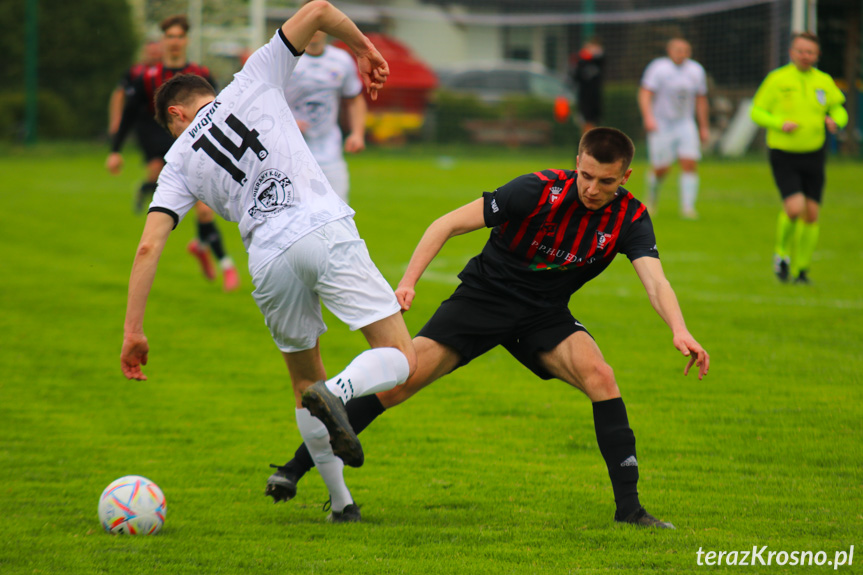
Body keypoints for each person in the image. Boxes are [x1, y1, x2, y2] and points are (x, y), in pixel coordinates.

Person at [268, 127, 710, 528]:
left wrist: (679, 328)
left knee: (602, 376)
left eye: (606, 181)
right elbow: (446, 224)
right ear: (577, 163)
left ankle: (630, 511)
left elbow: (655, 280)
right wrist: (407, 283)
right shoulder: (536, 190)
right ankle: (293, 468)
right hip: (483, 299)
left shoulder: (629, 218)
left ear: (626, 176)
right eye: (586, 176)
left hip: (543, 312)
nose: (593, 189)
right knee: (396, 385)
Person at [120, 0, 417, 524]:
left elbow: (148, 246)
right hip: (321, 227)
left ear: (176, 113)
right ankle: (342, 391)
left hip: (268, 259)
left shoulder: (177, 164)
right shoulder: (254, 77)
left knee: (304, 382)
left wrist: (133, 331)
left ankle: (343, 504)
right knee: (399, 357)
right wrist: (364, 47)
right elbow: (320, 9)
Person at [106, 15, 240, 291]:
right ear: (163, 41)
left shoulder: (200, 75)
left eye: (180, 36)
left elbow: (220, 111)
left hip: (200, 152)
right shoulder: (149, 78)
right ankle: (224, 262)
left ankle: (208, 252)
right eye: (170, 37)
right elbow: (131, 114)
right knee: (163, 191)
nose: (175, 42)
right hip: (165, 151)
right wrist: (115, 150)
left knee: (204, 212)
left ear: (186, 40)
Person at [750, 32, 847, 284]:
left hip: (814, 153)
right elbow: (757, 111)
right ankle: (781, 255)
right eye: (801, 51)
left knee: (812, 214)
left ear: (817, 55)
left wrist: (836, 120)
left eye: (810, 52)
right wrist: (779, 123)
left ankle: (802, 271)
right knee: (794, 208)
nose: (805, 56)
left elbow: (837, 107)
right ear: (792, 53)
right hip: (783, 154)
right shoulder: (778, 79)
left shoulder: (824, 81)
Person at [284, 28, 367, 204]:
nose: (314, 30)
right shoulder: (286, 59)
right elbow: (266, 100)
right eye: (310, 24)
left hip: (330, 151)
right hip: (290, 153)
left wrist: (357, 133)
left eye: (319, 25)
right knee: (294, 212)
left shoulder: (341, 60)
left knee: (340, 210)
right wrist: (287, 122)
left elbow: (354, 98)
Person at [638, 38, 710, 219]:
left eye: (685, 50)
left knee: (690, 163)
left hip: (685, 123)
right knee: (662, 168)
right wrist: (648, 117)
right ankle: (652, 199)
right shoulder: (658, 68)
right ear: (669, 51)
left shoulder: (696, 70)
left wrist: (703, 126)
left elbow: (701, 99)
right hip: (662, 123)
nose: (682, 53)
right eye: (678, 50)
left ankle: (688, 208)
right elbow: (645, 93)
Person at [571, 38, 605, 134]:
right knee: (587, 124)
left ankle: (592, 145)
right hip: (584, 99)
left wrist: (594, 53)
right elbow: (574, 77)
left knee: (595, 123)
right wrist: (583, 56)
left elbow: (601, 58)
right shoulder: (581, 62)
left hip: (596, 98)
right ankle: (587, 146)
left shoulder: (598, 61)